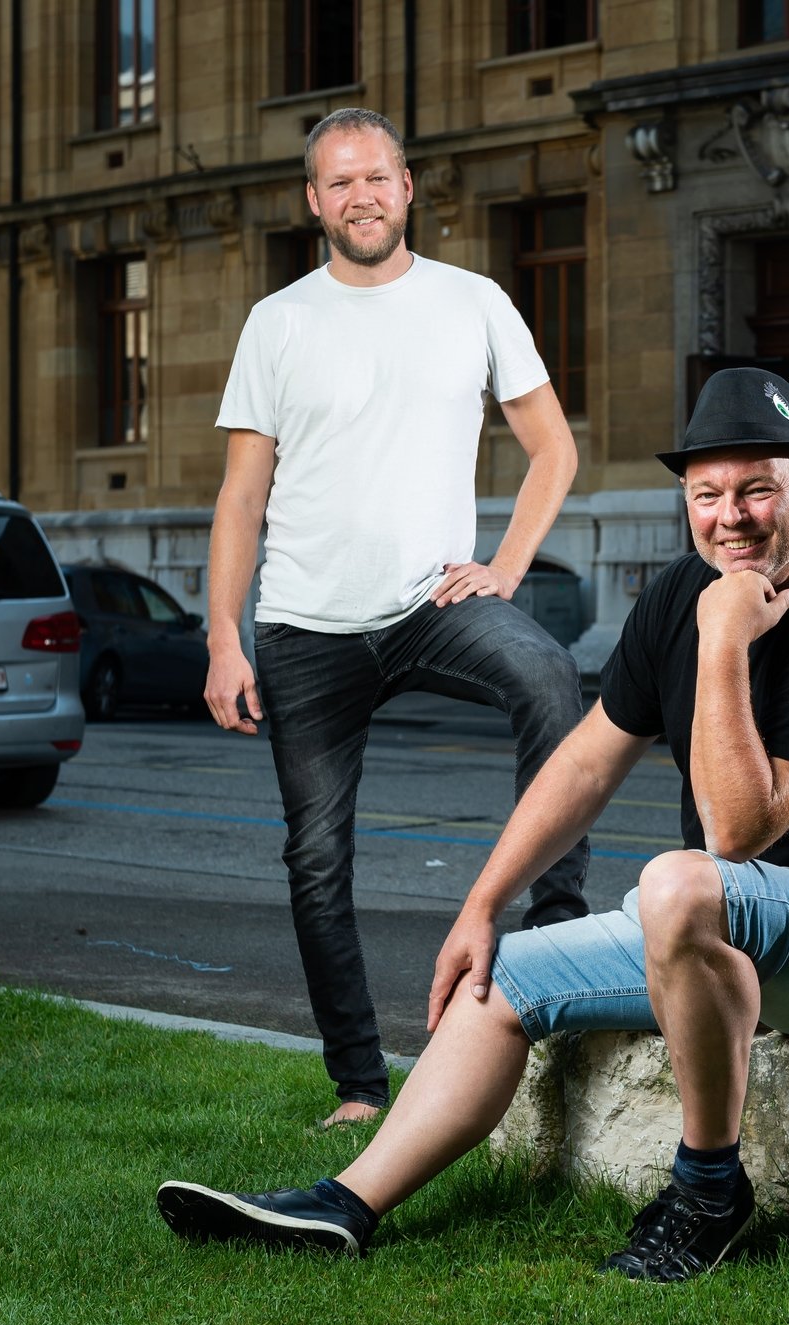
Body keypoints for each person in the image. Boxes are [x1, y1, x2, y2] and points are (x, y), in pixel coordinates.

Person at [158, 368, 789, 1282]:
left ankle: (708, 1189)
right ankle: (346, 1203)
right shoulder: (683, 594)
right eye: (708, 494)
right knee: (498, 976)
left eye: (757, 488)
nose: (731, 517)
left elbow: (739, 831)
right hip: (742, 928)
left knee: (677, 883)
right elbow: (588, 760)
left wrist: (723, 642)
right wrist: (482, 903)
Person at [203, 107, 590, 1129]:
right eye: (339, 183)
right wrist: (220, 636)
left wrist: (504, 565)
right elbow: (242, 496)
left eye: (376, 177)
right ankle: (358, 1084)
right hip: (301, 622)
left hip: (434, 599)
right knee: (316, 856)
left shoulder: (474, 302)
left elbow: (552, 447)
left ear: (407, 186)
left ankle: (559, 945)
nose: (361, 196)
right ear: (313, 202)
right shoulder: (277, 321)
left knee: (549, 678)